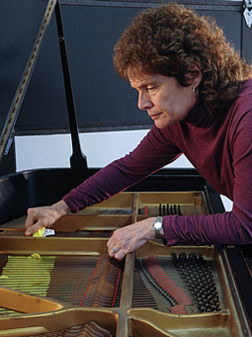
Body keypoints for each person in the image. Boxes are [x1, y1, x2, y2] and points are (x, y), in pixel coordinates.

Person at [25, 3, 252, 261]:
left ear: (193, 73)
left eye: (151, 87)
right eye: (138, 90)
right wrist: (59, 208)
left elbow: (245, 225)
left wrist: (155, 226)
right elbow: (128, 169)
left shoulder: (247, 115)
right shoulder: (178, 122)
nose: (142, 103)